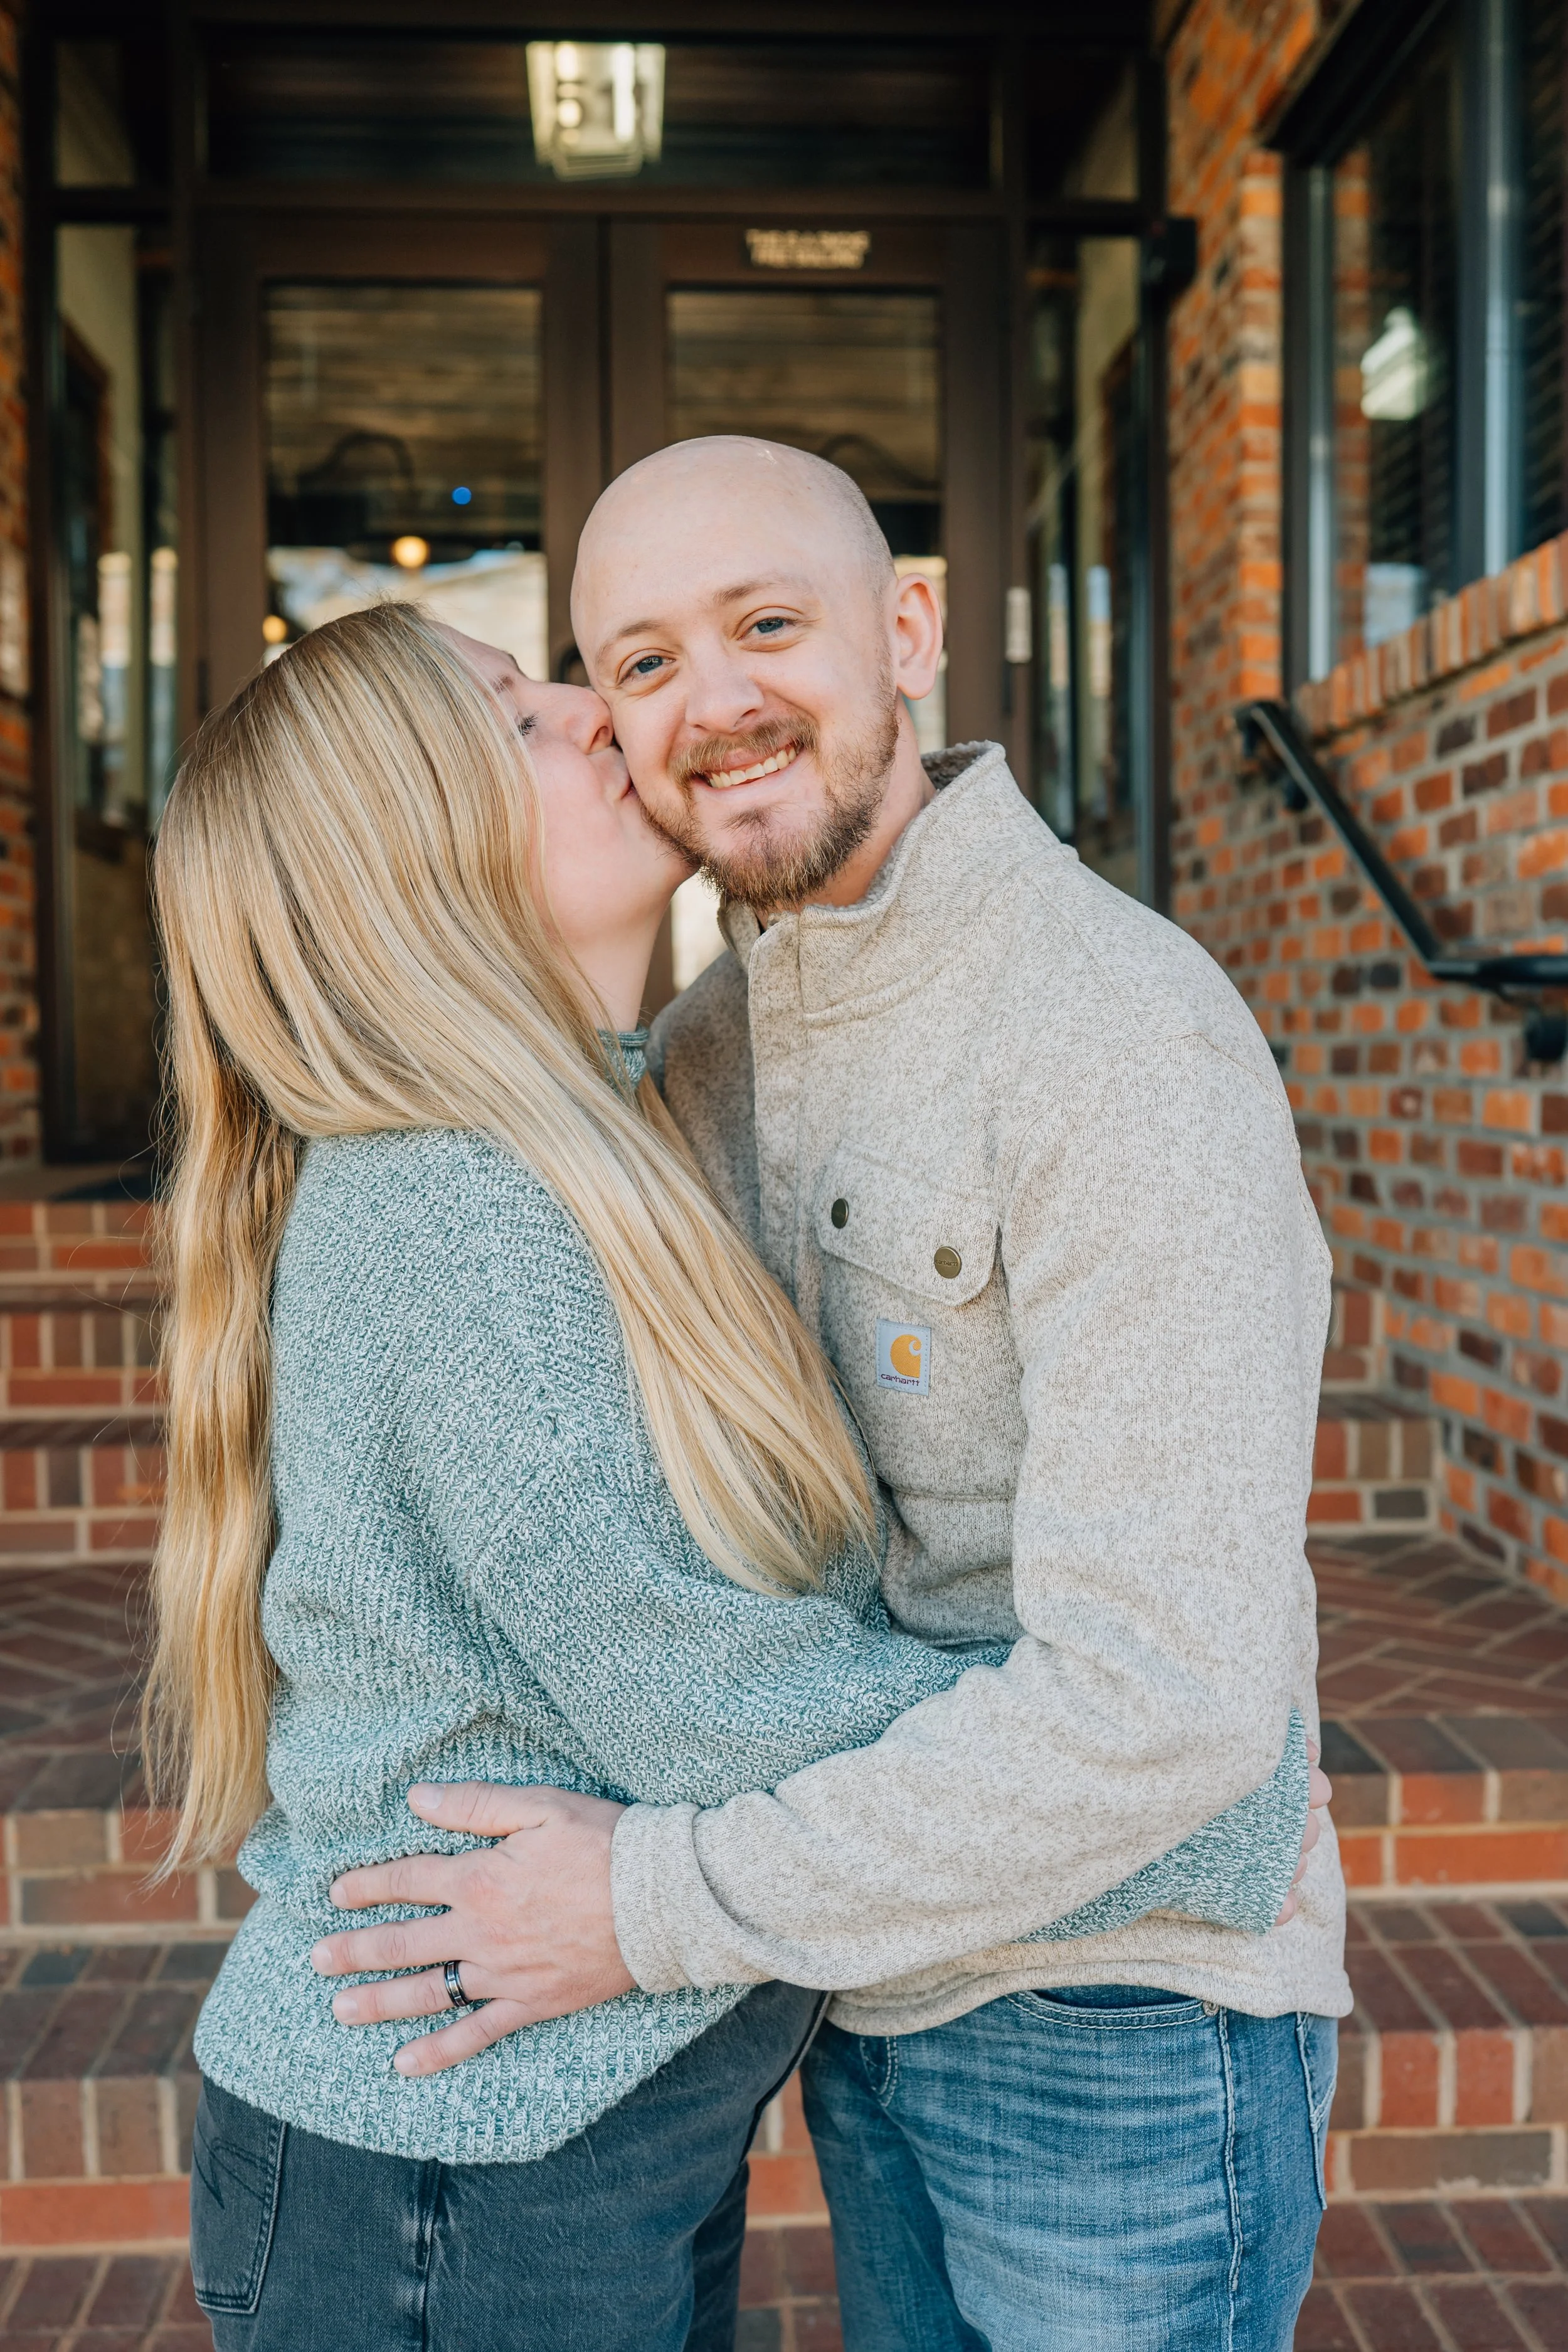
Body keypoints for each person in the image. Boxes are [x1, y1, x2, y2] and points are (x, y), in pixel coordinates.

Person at [154, 601, 1314, 2352]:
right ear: (416, 854)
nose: (599, 718)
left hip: (544, 2143)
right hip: (452, 2178)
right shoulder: (463, 1206)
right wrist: (1188, 1792)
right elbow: (712, 1696)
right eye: (525, 714)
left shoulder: (613, 1125)